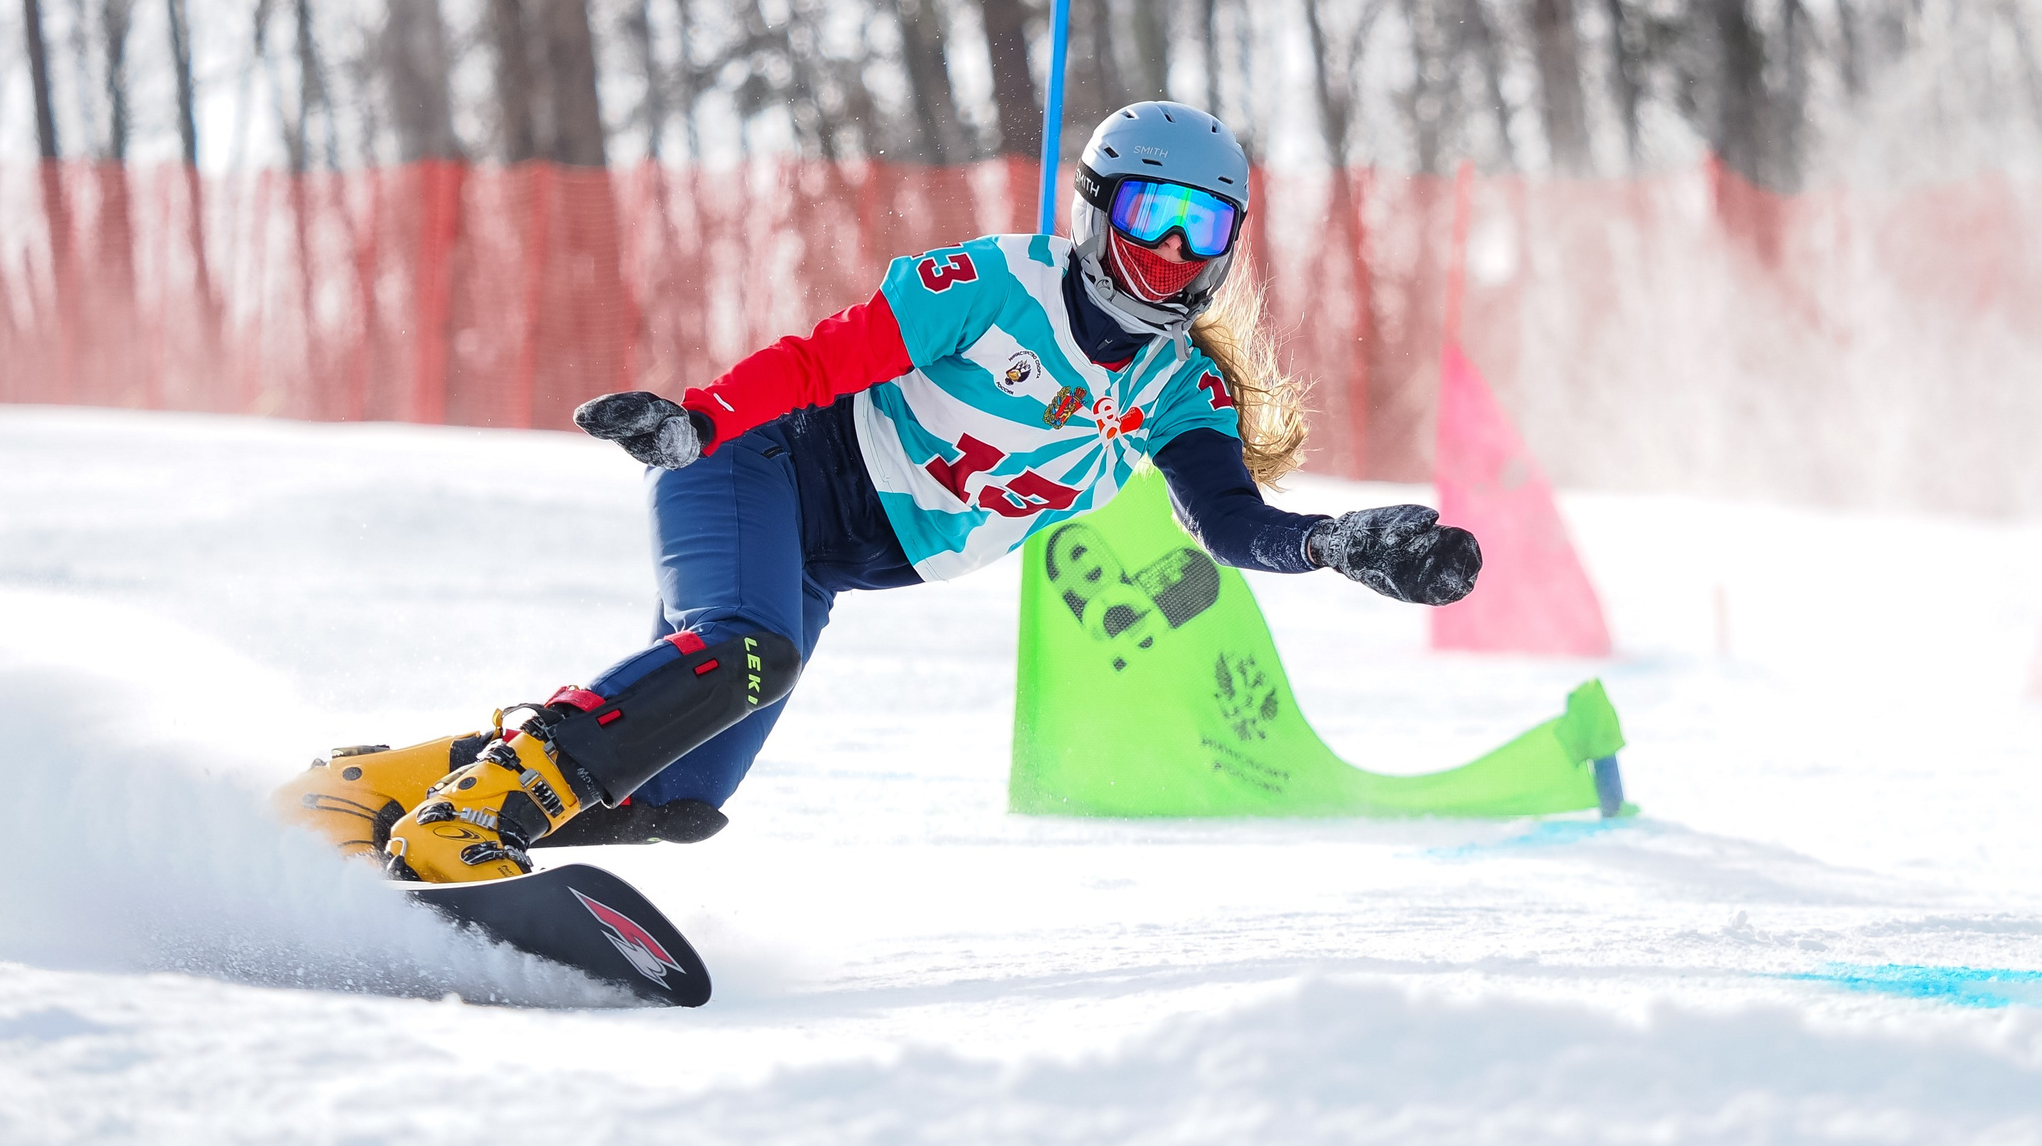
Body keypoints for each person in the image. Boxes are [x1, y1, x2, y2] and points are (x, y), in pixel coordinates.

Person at [277, 103, 1482, 882]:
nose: (1172, 248)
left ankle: (381, 787)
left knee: (677, 799)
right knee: (744, 655)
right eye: (1149, 213)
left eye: (1201, 224)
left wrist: (1335, 542)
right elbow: (820, 362)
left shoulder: (1180, 389)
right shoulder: (992, 286)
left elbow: (1234, 528)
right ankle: (467, 824)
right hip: (758, 472)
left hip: (829, 561)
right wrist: (698, 417)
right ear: (1097, 206)